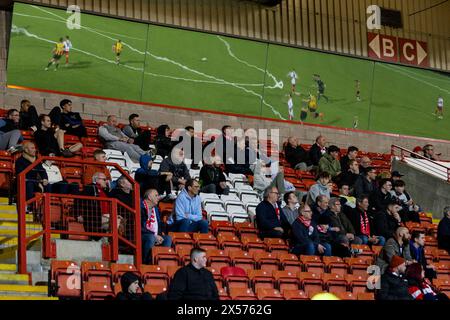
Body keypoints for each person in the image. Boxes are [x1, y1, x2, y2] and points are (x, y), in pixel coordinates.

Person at [141, 189, 172, 264]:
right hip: (142, 234)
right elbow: (140, 226)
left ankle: (162, 262)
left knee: (167, 238)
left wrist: (160, 234)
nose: (158, 197)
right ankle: (147, 263)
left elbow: (159, 224)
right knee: (151, 238)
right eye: (156, 195)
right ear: (149, 197)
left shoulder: (156, 209)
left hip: (154, 234)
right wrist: (154, 235)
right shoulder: (140, 207)